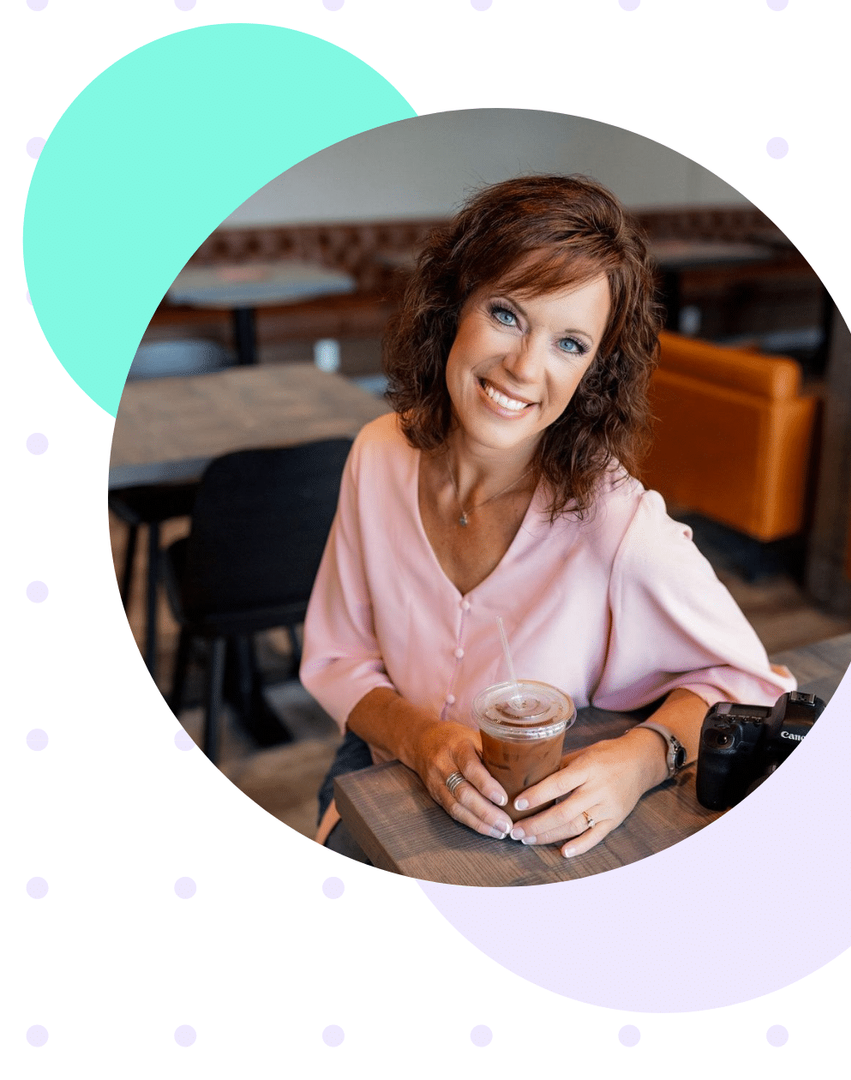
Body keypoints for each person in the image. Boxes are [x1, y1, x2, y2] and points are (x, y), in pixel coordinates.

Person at [302, 175, 793, 862]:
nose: (525, 367)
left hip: (526, 828)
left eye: (570, 344)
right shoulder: (378, 453)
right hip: (377, 766)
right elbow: (339, 658)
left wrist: (643, 758)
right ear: (453, 306)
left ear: (595, 371)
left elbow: (751, 685)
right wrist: (418, 738)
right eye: (506, 313)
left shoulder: (617, 523)